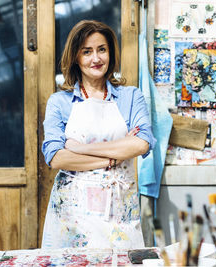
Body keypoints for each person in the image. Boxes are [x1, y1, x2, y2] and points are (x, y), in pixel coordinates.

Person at [41, 20, 156, 249]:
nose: (96, 59)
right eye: (87, 52)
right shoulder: (59, 102)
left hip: (119, 211)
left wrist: (79, 148)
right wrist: (113, 158)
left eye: (102, 50)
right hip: (72, 216)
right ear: (75, 57)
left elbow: (142, 143)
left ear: (110, 54)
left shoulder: (131, 97)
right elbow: (57, 158)